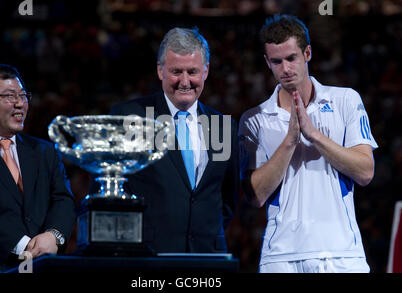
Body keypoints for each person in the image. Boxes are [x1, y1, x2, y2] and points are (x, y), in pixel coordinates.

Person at [239, 15, 378, 273]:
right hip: (280, 256)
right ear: (267, 62)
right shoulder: (254, 120)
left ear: (307, 53)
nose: (286, 69)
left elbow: (365, 171)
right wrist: (291, 140)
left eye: (291, 58)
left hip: (342, 253)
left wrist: (313, 134)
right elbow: (255, 195)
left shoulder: (346, 100)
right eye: (277, 61)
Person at [108, 27, 239, 253]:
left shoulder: (224, 126)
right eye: (176, 71)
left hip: (208, 256)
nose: (185, 81)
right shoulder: (133, 118)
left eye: (193, 71)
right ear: (161, 71)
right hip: (149, 257)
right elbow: (114, 189)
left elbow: (227, 197)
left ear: (206, 71)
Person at [0, 63, 76, 273]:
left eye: (23, 95)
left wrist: (54, 235)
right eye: (9, 96)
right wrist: (23, 245)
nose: (20, 103)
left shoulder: (44, 151)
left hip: (42, 265)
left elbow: (63, 199)